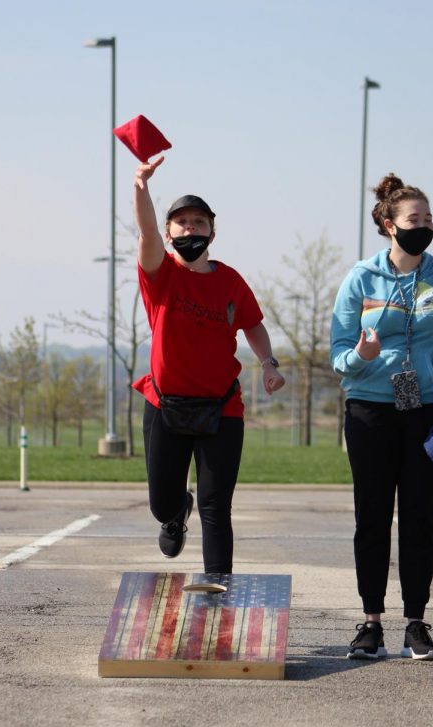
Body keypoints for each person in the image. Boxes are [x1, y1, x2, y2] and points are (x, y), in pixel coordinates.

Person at [330, 173, 433, 661]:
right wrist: (362, 356)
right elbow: (337, 351)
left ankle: (417, 623)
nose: (425, 225)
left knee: (420, 519)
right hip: (369, 411)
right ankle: (370, 623)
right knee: (371, 518)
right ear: (389, 224)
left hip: (426, 414)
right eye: (415, 219)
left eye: (429, 218)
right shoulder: (361, 278)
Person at [132, 155, 285, 575]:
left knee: (217, 507)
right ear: (169, 232)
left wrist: (268, 364)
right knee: (161, 501)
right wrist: (141, 186)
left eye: (199, 223)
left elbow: (252, 325)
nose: (190, 229)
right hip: (166, 404)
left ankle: (221, 597)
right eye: (181, 223)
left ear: (212, 231)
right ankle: (176, 511)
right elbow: (145, 232)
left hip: (221, 407)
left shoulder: (231, 281)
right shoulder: (161, 274)